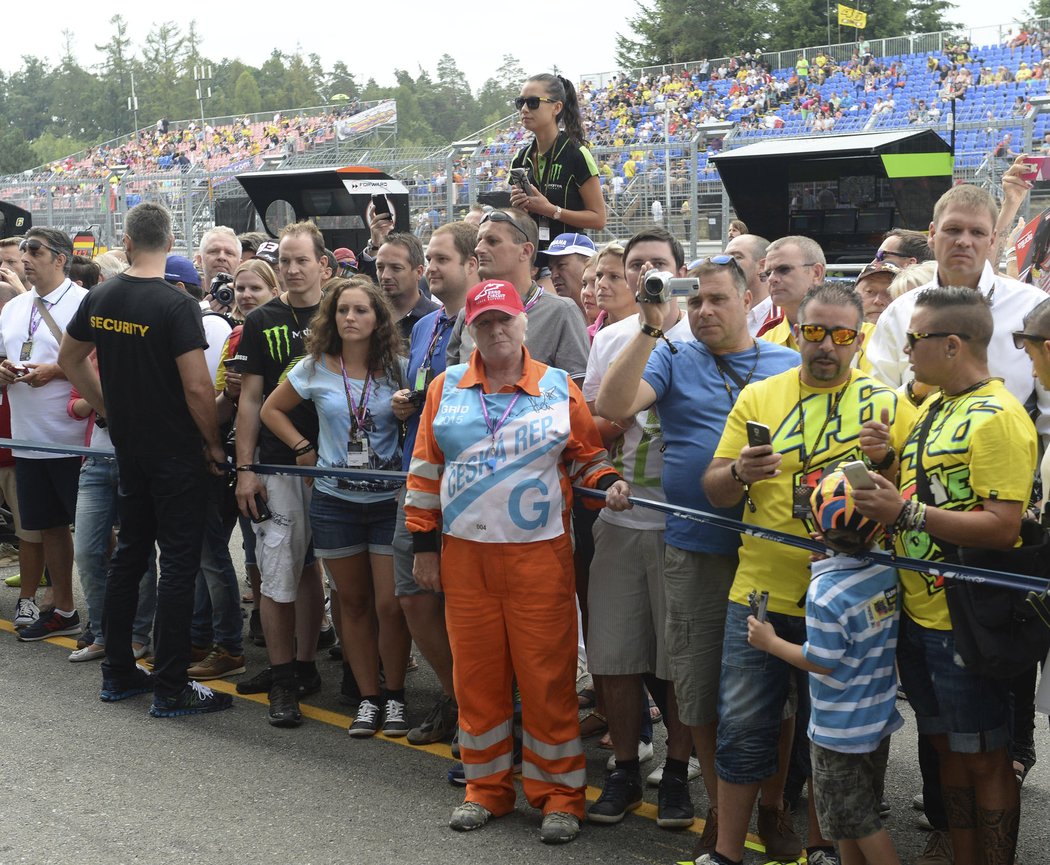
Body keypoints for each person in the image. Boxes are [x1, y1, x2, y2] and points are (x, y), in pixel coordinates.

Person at [405, 279, 631, 846]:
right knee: (476, 679)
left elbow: (586, 458)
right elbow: (425, 471)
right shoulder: (446, 387)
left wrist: (610, 484)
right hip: (465, 560)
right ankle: (486, 790)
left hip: (539, 560)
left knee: (547, 680)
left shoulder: (558, 387)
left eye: (504, 320)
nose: (496, 330)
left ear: (523, 323)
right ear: (471, 330)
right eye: (484, 323)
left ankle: (559, 797)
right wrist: (424, 546)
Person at [596, 253, 798, 858]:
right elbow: (613, 405)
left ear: (747, 300)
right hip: (695, 552)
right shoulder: (672, 354)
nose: (706, 311)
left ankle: (774, 807)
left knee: (777, 694)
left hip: (771, 553)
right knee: (700, 690)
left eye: (719, 300)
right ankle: (721, 811)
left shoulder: (787, 362)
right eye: (698, 301)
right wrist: (652, 324)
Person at [702, 284, 912, 865]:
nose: (826, 346)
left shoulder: (888, 404)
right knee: (744, 727)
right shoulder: (760, 396)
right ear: (794, 333)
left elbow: (912, 501)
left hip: (852, 596)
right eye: (814, 332)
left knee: (837, 735)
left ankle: (824, 846)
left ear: (860, 339)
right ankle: (727, 852)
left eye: (841, 335)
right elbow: (715, 489)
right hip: (763, 592)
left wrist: (887, 461)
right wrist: (741, 472)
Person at [854, 286, 1036, 865]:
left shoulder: (999, 418)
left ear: (951, 345)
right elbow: (922, 486)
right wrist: (884, 461)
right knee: (948, 749)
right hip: (919, 608)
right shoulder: (935, 404)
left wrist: (903, 513)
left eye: (914, 339)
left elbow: (1005, 526)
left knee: (985, 755)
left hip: (966, 617)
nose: (906, 350)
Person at [59, 201, 231, 717]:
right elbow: (199, 387)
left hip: (129, 447)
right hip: (176, 449)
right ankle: (172, 686)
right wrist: (213, 443)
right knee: (178, 562)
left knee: (130, 554)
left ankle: (117, 673)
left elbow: (70, 360)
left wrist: (109, 408)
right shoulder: (176, 304)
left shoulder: (102, 295)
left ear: (128, 242)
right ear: (172, 243)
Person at [582, 230, 699, 832]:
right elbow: (593, 425)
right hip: (623, 516)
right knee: (615, 655)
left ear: (681, 273)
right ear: (625, 276)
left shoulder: (704, 334)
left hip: (686, 526)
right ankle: (624, 769)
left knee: (678, 660)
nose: (647, 273)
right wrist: (606, 463)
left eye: (659, 264)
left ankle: (677, 771)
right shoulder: (608, 337)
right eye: (636, 265)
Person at [261, 276, 410, 738]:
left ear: (378, 318)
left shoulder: (399, 369)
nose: (351, 318)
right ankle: (367, 699)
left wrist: (409, 411)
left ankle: (396, 696)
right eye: (343, 310)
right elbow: (271, 409)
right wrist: (302, 444)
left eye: (362, 310)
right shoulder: (314, 367)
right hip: (334, 503)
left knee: (391, 605)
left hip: (388, 503)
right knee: (354, 602)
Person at [748, 469, 903, 865]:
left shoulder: (824, 591)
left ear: (817, 528)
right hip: (877, 719)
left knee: (862, 823)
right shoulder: (886, 568)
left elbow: (821, 660)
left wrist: (771, 642)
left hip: (839, 731)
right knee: (846, 821)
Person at [234, 221, 327, 728]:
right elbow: (250, 399)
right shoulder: (262, 317)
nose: (292, 270)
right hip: (277, 465)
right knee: (277, 572)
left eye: (301, 261)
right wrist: (246, 469)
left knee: (315, 568)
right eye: (285, 261)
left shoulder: (343, 312)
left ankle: (307, 664)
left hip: (336, 467)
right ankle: (282, 675)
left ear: (322, 265)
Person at [389, 221, 479, 745]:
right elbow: (425, 394)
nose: (434, 268)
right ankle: (458, 698)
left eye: (442, 259)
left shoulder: (487, 319)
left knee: (463, 604)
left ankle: (479, 711)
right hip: (418, 477)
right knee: (414, 597)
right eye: (432, 259)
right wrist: (408, 404)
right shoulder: (425, 326)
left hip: (469, 485)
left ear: (471, 265)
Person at [0, 228, 87, 641]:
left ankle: (107, 616)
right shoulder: (14, 307)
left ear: (60, 258)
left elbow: (103, 365)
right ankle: (65, 608)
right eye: (23, 251)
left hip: (77, 439)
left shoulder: (84, 302)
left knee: (93, 534)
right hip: (28, 438)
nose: (26, 258)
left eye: (34, 250)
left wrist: (55, 370)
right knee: (50, 528)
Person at [446, 208, 589, 382]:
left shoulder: (561, 312)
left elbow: (576, 396)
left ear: (526, 251)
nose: (479, 248)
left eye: (492, 241)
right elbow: (452, 389)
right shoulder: (467, 313)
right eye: (479, 240)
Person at [509, 73, 606, 248]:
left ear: (556, 107)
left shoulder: (577, 154)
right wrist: (518, 209)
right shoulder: (520, 158)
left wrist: (552, 211)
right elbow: (520, 218)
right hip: (531, 255)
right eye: (520, 102)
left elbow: (599, 219)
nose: (524, 109)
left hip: (568, 256)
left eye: (533, 102)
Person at [375, 233, 440, 342]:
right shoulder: (368, 315)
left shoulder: (437, 320)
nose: (385, 275)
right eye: (380, 267)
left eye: (396, 268)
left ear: (419, 272)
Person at [723, 233, 777, 336]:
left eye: (737, 257)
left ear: (763, 266)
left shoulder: (785, 317)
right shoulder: (722, 315)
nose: (727, 264)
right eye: (725, 258)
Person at [545, 232, 596, 312]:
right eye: (550, 269)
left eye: (561, 265)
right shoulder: (551, 316)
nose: (553, 275)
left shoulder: (614, 315)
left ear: (588, 264)